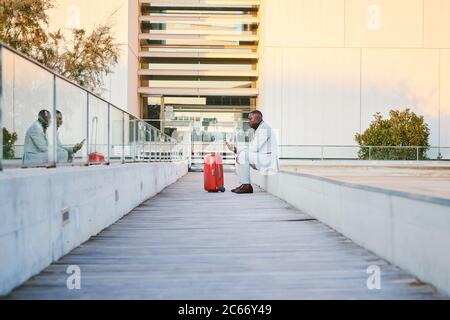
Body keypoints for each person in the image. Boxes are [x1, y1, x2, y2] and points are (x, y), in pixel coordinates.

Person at [226, 110, 279, 194]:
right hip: (263, 158)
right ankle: (244, 184)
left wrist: (239, 151)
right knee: (241, 156)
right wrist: (236, 150)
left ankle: (247, 186)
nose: (248, 121)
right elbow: (252, 147)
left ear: (257, 119)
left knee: (242, 156)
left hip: (268, 160)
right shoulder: (260, 128)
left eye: (250, 119)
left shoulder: (264, 129)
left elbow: (254, 148)